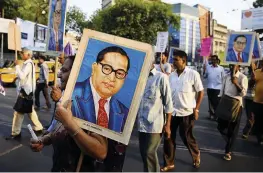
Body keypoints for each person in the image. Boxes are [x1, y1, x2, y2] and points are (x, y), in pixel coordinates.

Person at [32, 55, 127, 172]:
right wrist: (43, 140)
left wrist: (69, 123)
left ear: (76, 74)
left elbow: (101, 152)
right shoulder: (68, 102)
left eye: (65, 70)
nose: (59, 74)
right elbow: (57, 131)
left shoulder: (92, 106)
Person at [161, 50, 204, 171]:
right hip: (172, 112)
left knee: (187, 137)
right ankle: (169, 162)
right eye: (173, 59)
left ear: (183, 61)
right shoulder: (172, 76)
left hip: (187, 113)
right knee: (168, 137)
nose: (173, 62)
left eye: (176, 59)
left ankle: (196, 156)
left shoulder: (193, 74)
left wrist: (197, 109)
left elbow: (201, 92)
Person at [72, 46, 130, 133]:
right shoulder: (71, 93)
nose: (112, 78)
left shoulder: (125, 112)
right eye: (106, 68)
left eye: (120, 73)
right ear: (94, 68)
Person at [137, 62, 174, 172]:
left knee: (149, 152)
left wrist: (168, 125)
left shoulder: (161, 77)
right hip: (141, 123)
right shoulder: (139, 78)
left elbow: (168, 103)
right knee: (144, 153)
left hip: (155, 124)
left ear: (151, 61)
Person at [5, 48, 44, 140]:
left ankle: (16, 133)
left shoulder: (28, 64)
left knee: (18, 113)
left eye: (22, 53)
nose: (21, 55)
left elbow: (22, 76)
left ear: (28, 55)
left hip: (26, 92)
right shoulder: (27, 64)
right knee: (29, 111)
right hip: (27, 91)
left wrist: (18, 66)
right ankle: (38, 128)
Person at [217, 64, 248, 161]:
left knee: (233, 129)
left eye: (234, 66)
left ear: (239, 67)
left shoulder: (243, 77)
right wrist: (220, 100)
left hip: (236, 105)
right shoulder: (226, 76)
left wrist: (236, 83)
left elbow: (243, 93)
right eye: (231, 66)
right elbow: (222, 90)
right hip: (225, 102)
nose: (232, 68)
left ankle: (228, 151)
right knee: (220, 126)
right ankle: (230, 139)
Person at [204, 55, 225, 120]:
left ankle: (217, 115)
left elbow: (223, 78)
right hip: (210, 87)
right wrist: (204, 71)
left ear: (217, 60)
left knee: (216, 102)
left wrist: (223, 87)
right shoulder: (208, 67)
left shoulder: (221, 68)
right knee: (210, 101)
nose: (212, 61)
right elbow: (205, 76)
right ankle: (211, 115)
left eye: (214, 59)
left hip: (218, 88)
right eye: (211, 60)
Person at [251, 61, 263, 145]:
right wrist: (252, 80)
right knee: (258, 121)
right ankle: (260, 138)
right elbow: (250, 85)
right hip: (257, 102)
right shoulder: (257, 72)